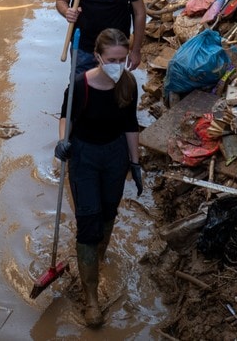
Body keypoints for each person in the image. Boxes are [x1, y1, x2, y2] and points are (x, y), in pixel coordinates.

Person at [54, 28, 144, 328]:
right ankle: (91, 297)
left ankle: (97, 257)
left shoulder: (128, 84)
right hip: (85, 157)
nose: (118, 65)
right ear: (98, 57)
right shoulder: (82, 85)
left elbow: (131, 124)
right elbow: (65, 115)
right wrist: (62, 140)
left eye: (122, 58)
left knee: (108, 213)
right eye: (112, 59)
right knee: (89, 222)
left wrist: (135, 163)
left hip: (115, 155)